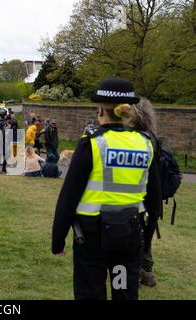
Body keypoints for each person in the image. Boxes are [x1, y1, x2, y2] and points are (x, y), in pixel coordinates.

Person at [51, 78, 161, 300]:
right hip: (129, 235)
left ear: (100, 109)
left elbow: (68, 197)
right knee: (122, 290)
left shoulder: (92, 143)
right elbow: (155, 200)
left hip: (92, 238)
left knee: (91, 291)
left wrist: (58, 240)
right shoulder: (146, 143)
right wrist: (146, 239)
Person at [125, 98, 161, 287]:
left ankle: (135, 274)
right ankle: (146, 272)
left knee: (135, 237)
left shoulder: (138, 139)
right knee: (144, 235)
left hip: (138, 195)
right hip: (150, 195)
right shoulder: (152, 137)